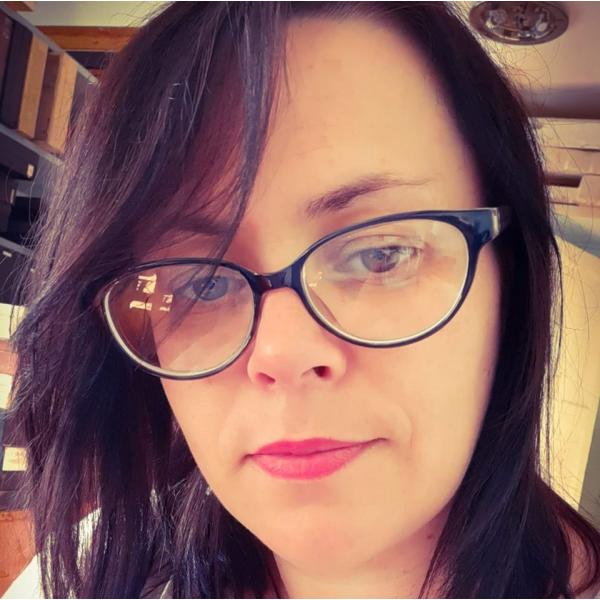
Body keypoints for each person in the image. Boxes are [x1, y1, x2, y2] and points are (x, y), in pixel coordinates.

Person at [3, 1, 600, 598]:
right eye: (202, 283)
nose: (281, 354)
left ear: (509, 281)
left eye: (381, 255)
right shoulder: (87, 573)